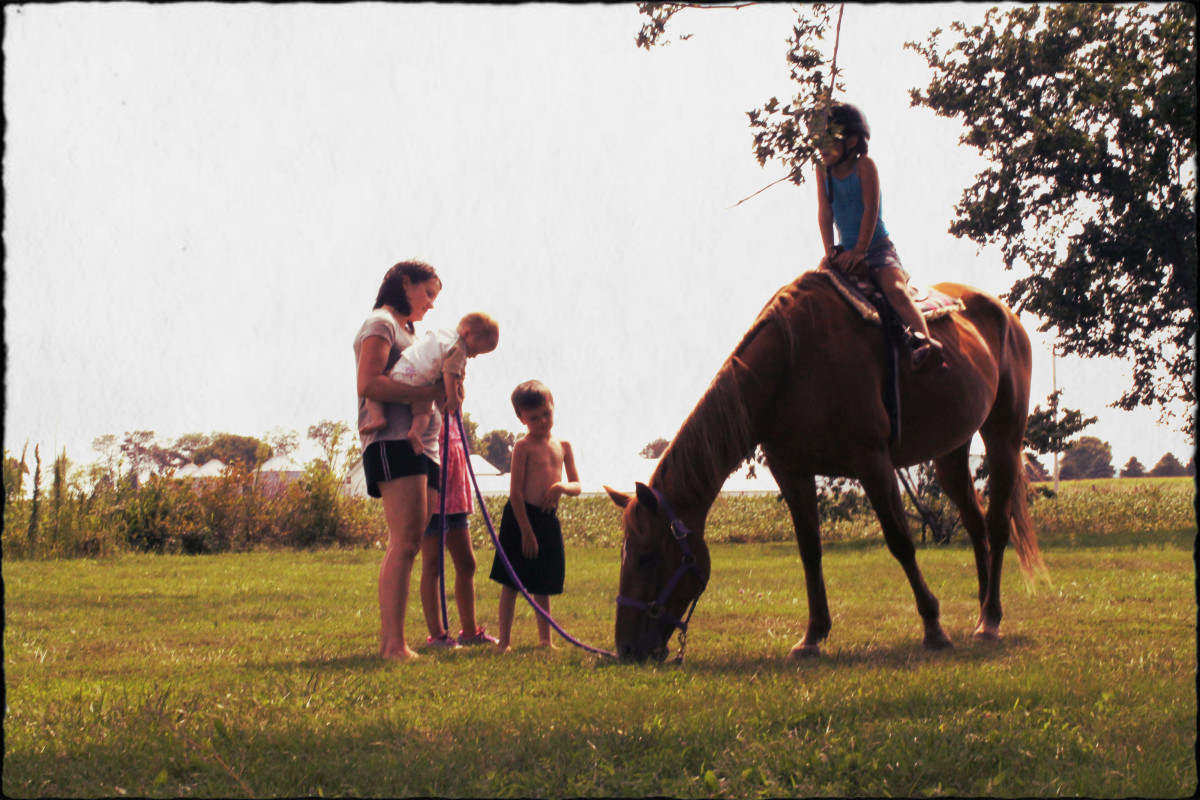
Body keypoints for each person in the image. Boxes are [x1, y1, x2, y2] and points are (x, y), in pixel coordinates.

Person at [353, 259, 446, 661]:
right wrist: (424, 395)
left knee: (413, 542)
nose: (430, 305)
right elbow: (369, 382)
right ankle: (393, 644)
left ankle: (397, 641)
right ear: (404, 284)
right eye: (427, 293)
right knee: (405, 541)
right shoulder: (381, 324)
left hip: (425, 446)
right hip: (393, 441)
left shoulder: (411, 332)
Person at [816, 102, 944, 370]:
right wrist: (830, 251)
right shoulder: (822, 170)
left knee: (896, 292)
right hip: (844, 252)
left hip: (875, 248)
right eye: (818, 140)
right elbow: (825, 214)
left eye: (828, 140)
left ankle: (926, 347)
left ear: (851, 141)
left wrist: (861, 251)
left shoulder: (865, 167)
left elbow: (870, 209)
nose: (821, 148)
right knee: (816, 289)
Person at [489, 380, 580, 653]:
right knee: (511, 582)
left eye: (547, 414)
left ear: (553, 408)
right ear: (521, 419)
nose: (542, 421)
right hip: (520, 518)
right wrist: (526, 531)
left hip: (547, 519)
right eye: (534, 417)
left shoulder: (563, 445)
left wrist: (561, 486)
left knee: (543, 583)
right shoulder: (523, 447)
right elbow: (515, 492)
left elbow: (576, 486)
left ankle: (545, 639)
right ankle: (504, 641)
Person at [359, 312, 500, 457]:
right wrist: (452, 396)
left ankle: (381, 419)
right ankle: (413, 432)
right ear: (467, 333)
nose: (474, 355)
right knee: (418, 410)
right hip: (417, 376)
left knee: (382, 395)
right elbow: (449, 372)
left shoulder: (443, 334)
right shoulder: (458, 348)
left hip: (407, 371)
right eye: (475, 350)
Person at [419, 414, 500, 648]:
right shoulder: (428, 401)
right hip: (432, 493)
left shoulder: (453, 409)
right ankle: (437, 635)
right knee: (433, 564)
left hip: (455, 495)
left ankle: (470, 632)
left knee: (467, 563)